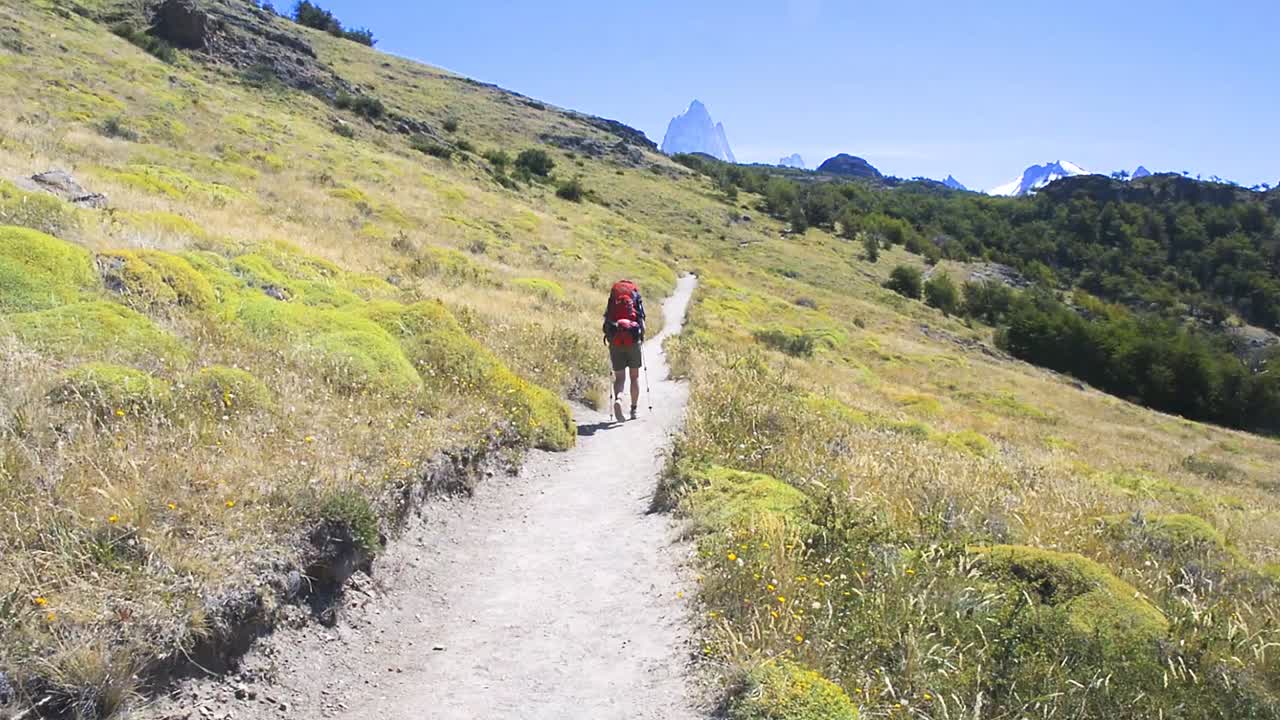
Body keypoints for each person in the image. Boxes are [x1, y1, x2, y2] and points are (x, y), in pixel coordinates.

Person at [602, 279, 645, 422]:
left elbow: (606, 320)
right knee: (634, 377)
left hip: (615, 340)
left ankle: (618, 399)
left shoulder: (613, 298)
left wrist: (609, 338)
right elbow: (642, 321)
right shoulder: (635, 296)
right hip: (633, 340)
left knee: (620, 377)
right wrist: (640, 337)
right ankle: (633, 410)